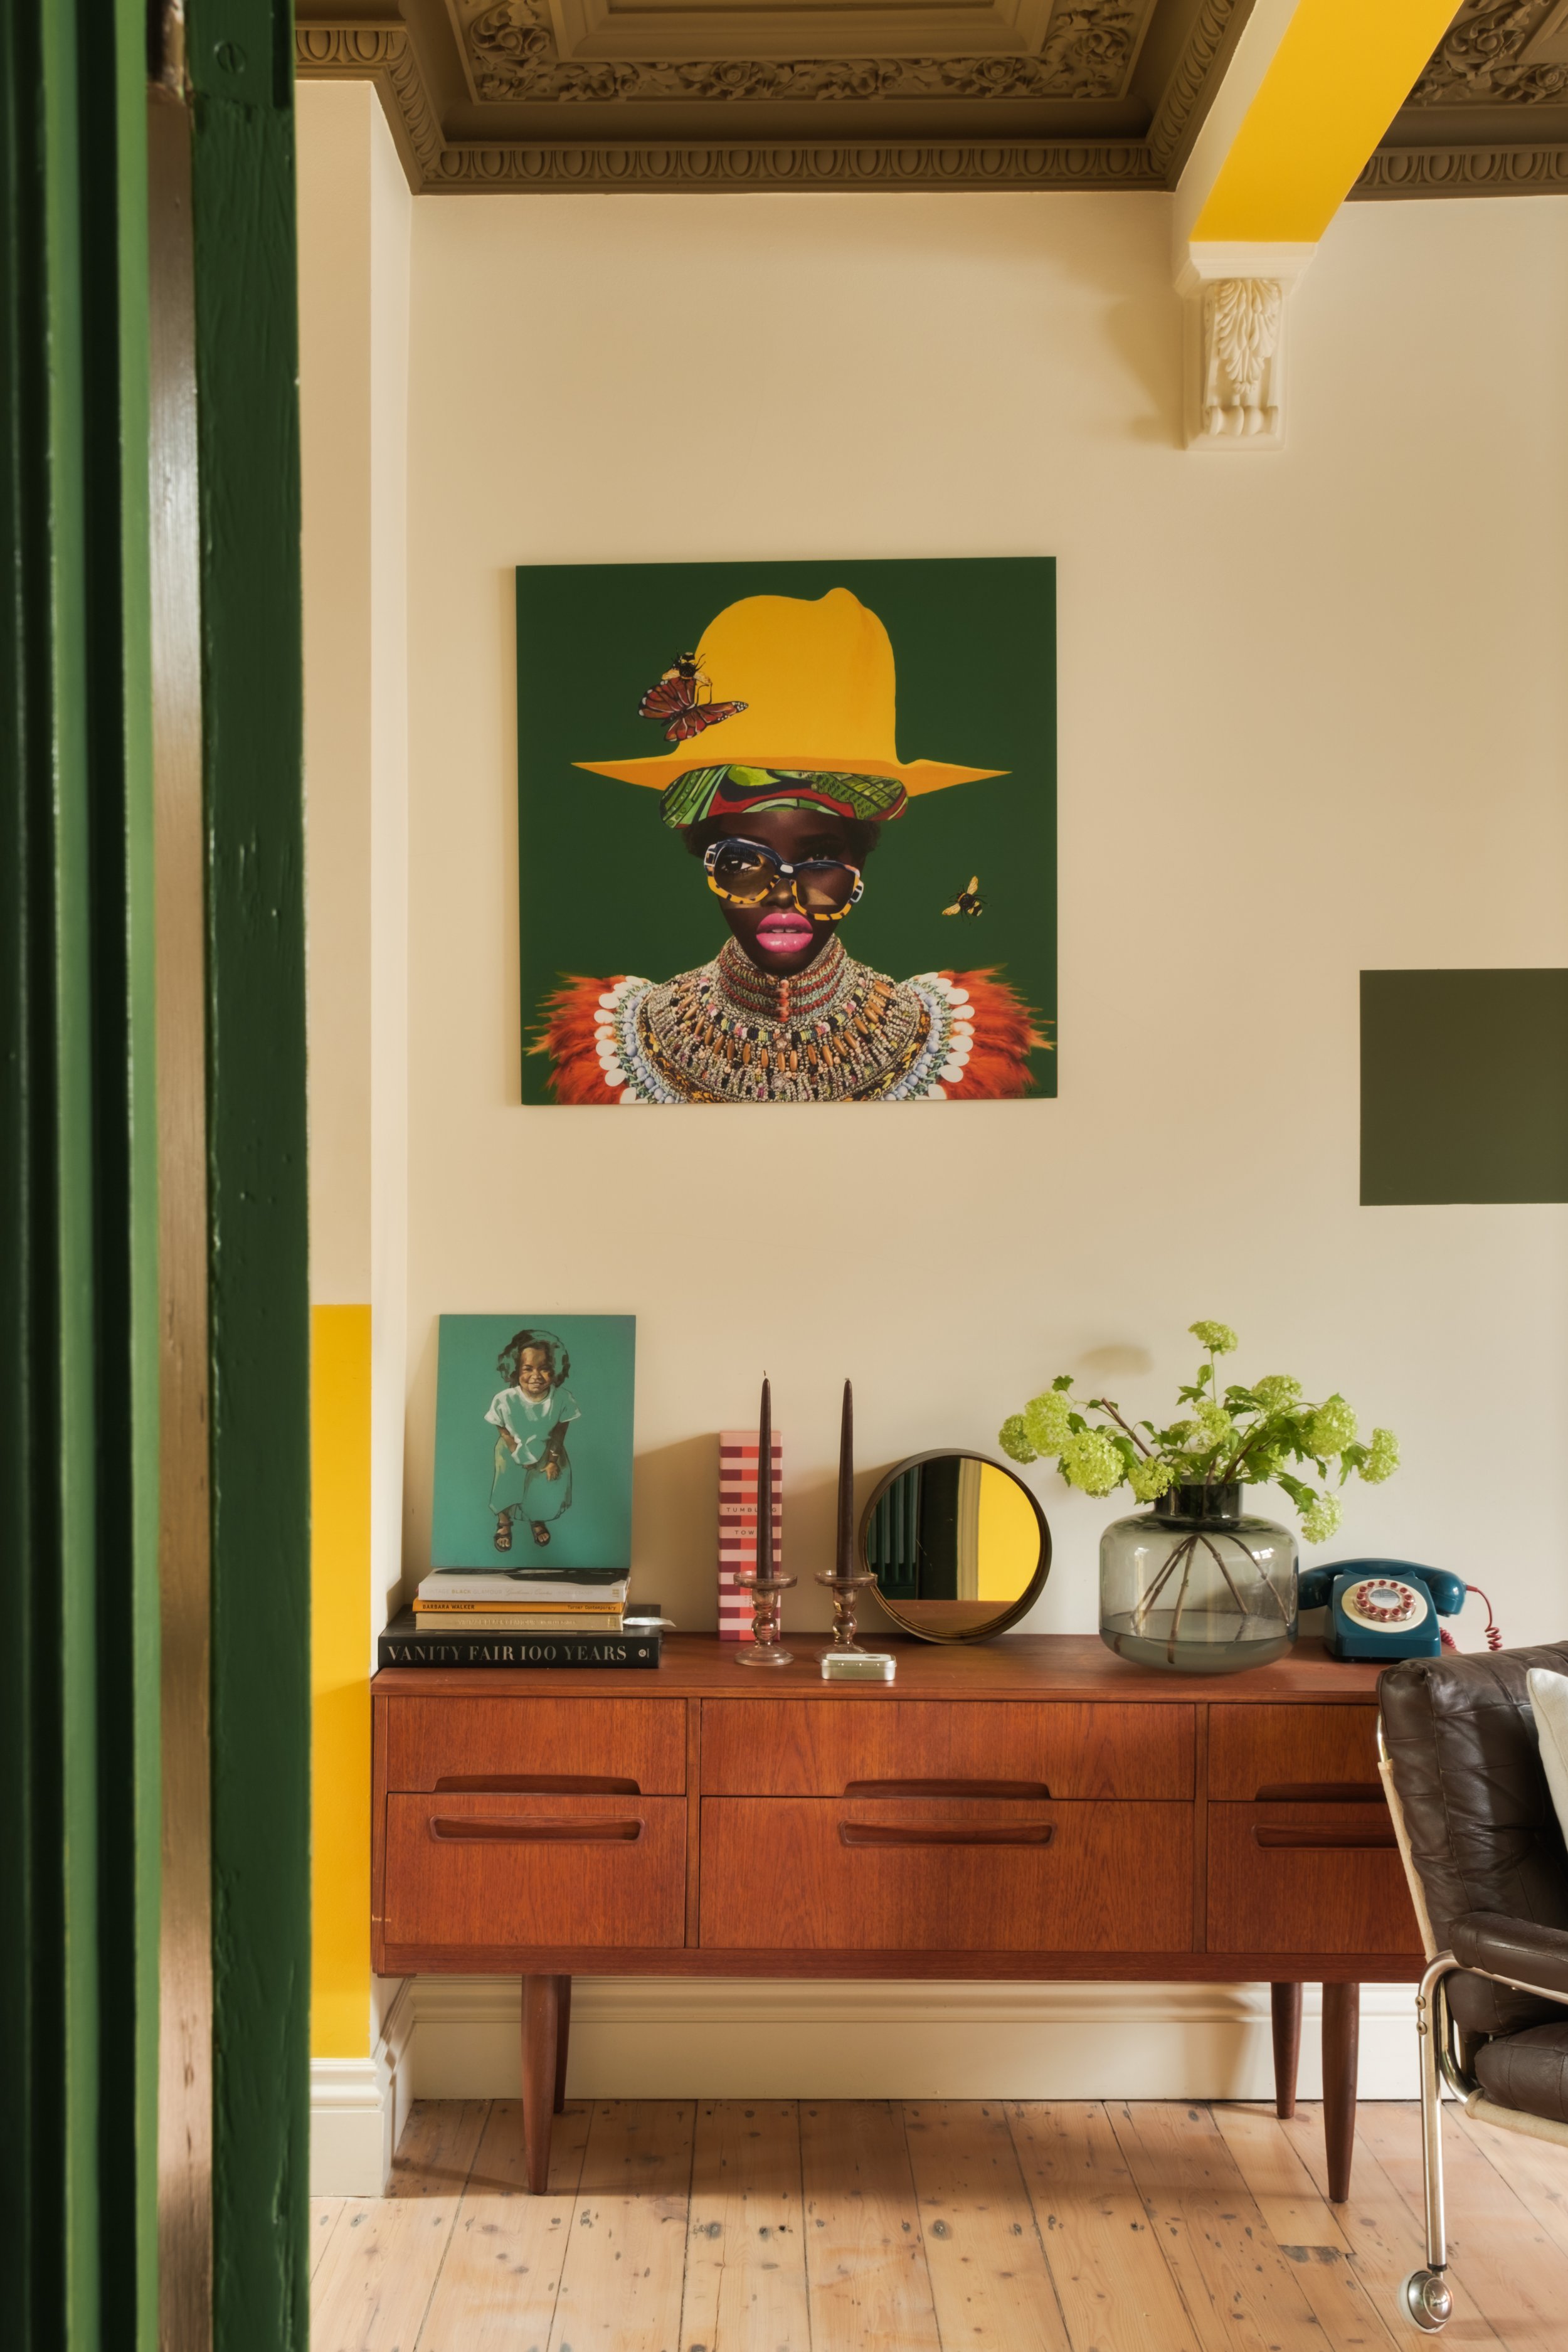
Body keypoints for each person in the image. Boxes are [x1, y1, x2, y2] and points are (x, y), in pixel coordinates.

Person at [533, 587, 1048, 1104]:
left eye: (820, 859)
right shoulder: (617, 1042)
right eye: (741, 861)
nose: (782, 896)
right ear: (703, 856)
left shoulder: (957, 1042)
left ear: (860, 861)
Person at [485, 1328, 579, 1550]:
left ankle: (536, 1520)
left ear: (555, 1370)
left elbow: (560, 1432)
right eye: (528, 1369)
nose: (536, 1376)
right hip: (510, 1449)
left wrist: (552, 1460)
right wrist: (514, 1449)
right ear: (515, 1369)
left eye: (545, 1369)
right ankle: (504, 1522)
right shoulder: (505, 1399)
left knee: (539, 1488)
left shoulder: (563, 1398)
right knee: (506, 1485)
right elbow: (500, 1425)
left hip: (548, 1450)